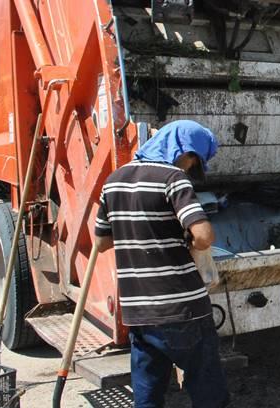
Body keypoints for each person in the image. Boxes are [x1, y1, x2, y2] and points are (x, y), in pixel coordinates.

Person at [94, 120, 228, 407]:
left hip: (138, 311)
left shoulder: (113, 180)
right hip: (182, 310)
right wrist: (188, 242)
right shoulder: (173, 178)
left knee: (148, 393)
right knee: (208, 391)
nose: (191, 166)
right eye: (194, 159)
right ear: (184, 151)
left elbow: (101, 242)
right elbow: (204, 236)